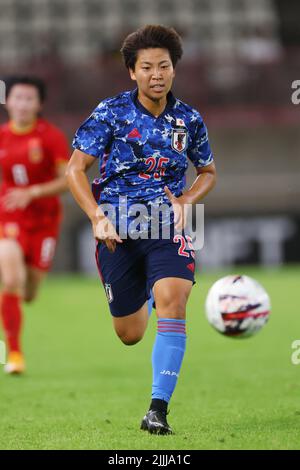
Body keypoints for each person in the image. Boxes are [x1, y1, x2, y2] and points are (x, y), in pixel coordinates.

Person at [67, 25, 216, 435]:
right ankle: (147, 294)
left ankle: (157, 409)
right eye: (147, 67)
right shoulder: (110, 112)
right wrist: (97, 216)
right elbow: (75, 169)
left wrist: (187, 201)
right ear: (132, 72)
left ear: (173, 69)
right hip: (117, 229)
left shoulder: (188, 119)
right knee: (130, 333)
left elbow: (207, 172)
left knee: (175, 298)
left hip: (166, 225)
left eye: (164, 66)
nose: (157, 74)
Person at [0, 76, 69, 374]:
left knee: (29, 291)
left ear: (39, 104)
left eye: (29, 99)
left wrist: (33, 192)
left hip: (44, 222)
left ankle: (20, 299)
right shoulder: (2, 136)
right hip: (9, 217)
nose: (23, 104)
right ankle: (14, 353)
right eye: (17, 98)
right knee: (11, 279)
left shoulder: (50, 137)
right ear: (8, 102)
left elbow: (68, 179)